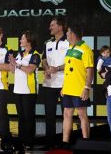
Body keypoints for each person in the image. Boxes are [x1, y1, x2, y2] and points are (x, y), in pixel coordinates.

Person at [61, 23, 93, 147]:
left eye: (67, 32)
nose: (66, 34)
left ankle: (86, 143)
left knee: (82, 114)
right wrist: (64, 86)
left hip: (80, 89)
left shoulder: (85, 49)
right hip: (68, 89)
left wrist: (86, 88)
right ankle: (65, 142)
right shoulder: (70, 48)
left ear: (73, 34)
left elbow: (90, 70)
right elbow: (68, 68)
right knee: (67, 114)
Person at [9, 30, 41, 150]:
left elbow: (30, 70)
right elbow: (13, 71)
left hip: (29, 90)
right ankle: (21, 140)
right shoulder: (19, 54)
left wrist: (17, 65)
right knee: (21, 116)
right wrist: (12, 61)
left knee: (28, 116)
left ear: (28, 40)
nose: (20, 41)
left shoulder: (35, 54)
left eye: (22, 38)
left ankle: (29, 142)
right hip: (18, 89)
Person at [40, 17, 69, 148]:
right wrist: (46, 68)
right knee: (49, 115)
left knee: (66, 115)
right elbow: (44, 59)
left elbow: (71, 62)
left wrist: (57, 68)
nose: (50, 27)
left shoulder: (69, 42)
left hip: (65, 84)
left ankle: (65, 143)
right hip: (49, 84)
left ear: (60, 27)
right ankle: (49, 143)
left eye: (52, 25)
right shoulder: (47, 43)